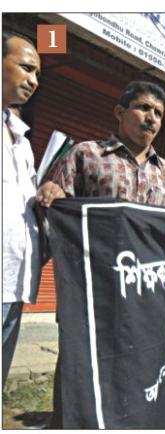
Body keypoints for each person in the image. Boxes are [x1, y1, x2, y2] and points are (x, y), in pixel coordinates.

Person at [45, 81, 165, 428]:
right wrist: (50, 193)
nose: (151, 118)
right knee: (79, 370)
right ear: (120, 112)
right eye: (143, 108)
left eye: (158, 113)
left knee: (136, 372)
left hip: (144, 296)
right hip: (90, 292)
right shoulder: (86, 155)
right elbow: (56, 213)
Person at [2, 31, 63, 388]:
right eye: (26, 68)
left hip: (14, 282)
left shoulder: (22, 140)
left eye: (38, 73)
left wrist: (47, 192)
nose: (34, 80)